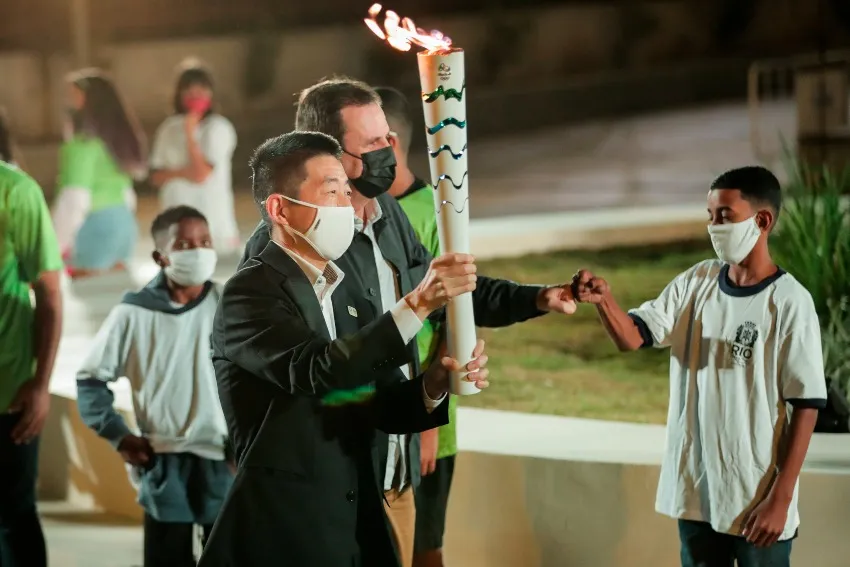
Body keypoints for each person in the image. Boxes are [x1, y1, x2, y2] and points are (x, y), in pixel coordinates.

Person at [239, 77, 577, 567]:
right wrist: (418, 311)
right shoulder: (283, 252)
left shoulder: (388, 215)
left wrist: (539, 298)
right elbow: (316, 371)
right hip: (330, 487)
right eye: (373, 143)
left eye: (388, 138)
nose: (388, 150)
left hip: (395, 478)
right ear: (331, 155)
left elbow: (439, 288)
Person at [199, 131, 489, 567]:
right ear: (280, 208)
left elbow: (374, 401)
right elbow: (319, 372)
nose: (346, 204)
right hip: (285, 536)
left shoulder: (346, 288)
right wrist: (419, 302)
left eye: (346, 189)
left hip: (359, 528)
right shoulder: (250, 294)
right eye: (331, 190)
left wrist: (433, 383)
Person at [571, 166, 826, 567]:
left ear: (762, 220)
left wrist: (781, 497)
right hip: (695, 494)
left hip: (756, 500)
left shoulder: (790, 303)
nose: (714, 226)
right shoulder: (697, 282)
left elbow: (806, 405)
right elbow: (634, 336)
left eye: (725, 216)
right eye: (710, 216)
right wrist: (604, 302)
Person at [76, 205, 232, 567]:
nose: (198, 250)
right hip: (163, 459)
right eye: (185, 244)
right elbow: (90, 379)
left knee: (226, 554)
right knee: (167, 556)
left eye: (205, 241)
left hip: (224, 459)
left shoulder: (227, 305)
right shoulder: (133, 313)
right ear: (161, 256)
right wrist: (119, 435)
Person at [375, 85, 453, 567]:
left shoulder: (435, 213)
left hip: (425, 412)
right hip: (379, 410)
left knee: (424, 547)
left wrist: (428, 423)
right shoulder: (359, 211)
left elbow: (453, 313)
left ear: (389, 143)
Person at [0, 161, 64, 567]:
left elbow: (50, 295)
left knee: (13, 516)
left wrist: (41, 385)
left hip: (9, 394)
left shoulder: (16, 192)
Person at [52, 68, 147, 278]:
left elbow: (75, 200)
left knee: (91, 302)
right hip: (124, 229)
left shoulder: (82, 146)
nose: (68, 104)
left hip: (95, 231)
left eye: (74, 97)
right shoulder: (115, 143)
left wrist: (54, 247)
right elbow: (127, 196)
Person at [149, 59, 240, 255]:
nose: (195, 95)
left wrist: (190, 133)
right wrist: (183, 173)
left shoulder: (218, 127)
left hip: (214, 228)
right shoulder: (168, 128)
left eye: (202, 89)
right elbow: (156, 177)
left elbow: (200, 174)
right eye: (189, 90)